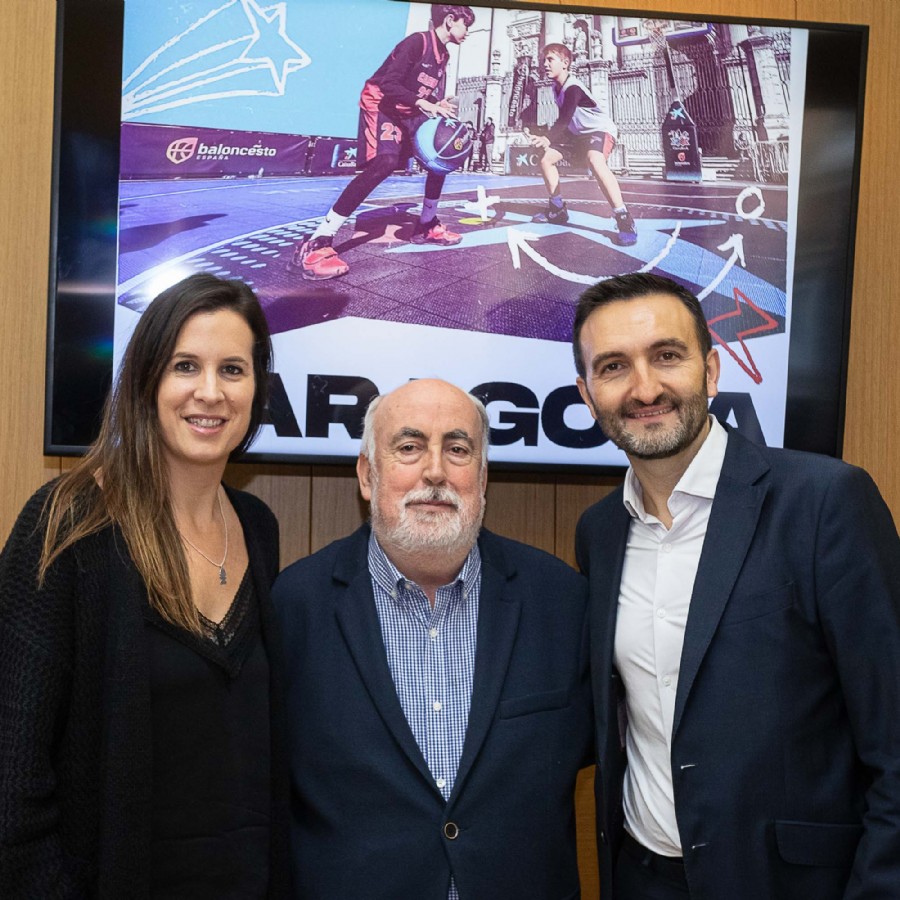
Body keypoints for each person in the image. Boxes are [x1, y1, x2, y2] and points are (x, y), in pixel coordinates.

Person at [572, 273, 900, 899]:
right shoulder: (600, 534)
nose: (645, 388)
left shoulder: (825, 503)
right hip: (642, 880)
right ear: (588, 395)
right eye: (614, 367)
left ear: (712, 369)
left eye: (667, 356)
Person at [0, 274, 291, 898]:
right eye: (186, 365)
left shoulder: (258, 529)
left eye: (233, 370)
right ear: (146, 379)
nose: (210, 393)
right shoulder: (69, 522)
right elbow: (12, 777)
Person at [272, 378, 590, 899]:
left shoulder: (561, 600)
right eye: (409, 447)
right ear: (367, 475)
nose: (435, 471)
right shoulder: (294, 604)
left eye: (458, 449)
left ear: (483, 479)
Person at [288, 5, 475, 281]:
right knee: (385, 162)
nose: (467, 32)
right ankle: (316, 243)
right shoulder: (417, 42)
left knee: (439, 160)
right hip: (381, 104)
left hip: (408, 110)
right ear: (450, 21)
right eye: (465, 25)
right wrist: (424, 102)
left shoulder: (443, 55)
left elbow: (421, 92)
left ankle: (426, 225)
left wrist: (437, 103)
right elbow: (389, 84)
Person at [529, 43, 637, 246]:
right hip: (576, 134)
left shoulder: (573, 87)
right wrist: (546, 137)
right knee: (546, 160)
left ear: (565, 62)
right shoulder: (556, 87)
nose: (545, 64)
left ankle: (623, 217)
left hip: (599, 130)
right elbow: (565, 121)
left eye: (550, 59)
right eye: (544, 60)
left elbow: (564, 118)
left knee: (595, 161)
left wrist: (548, 138)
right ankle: (557, 209)